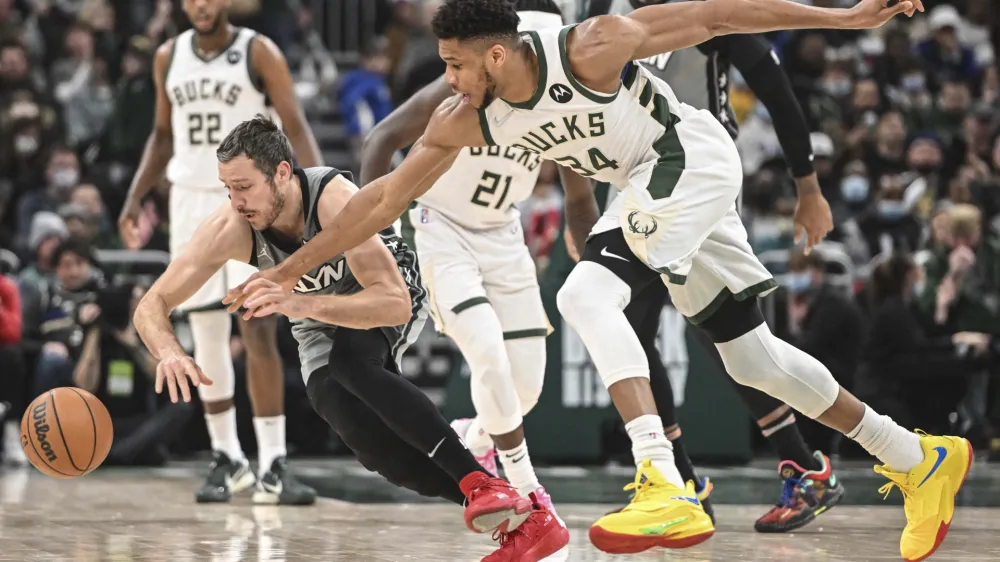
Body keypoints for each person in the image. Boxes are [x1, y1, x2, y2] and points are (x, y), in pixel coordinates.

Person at [227, 2, 971, 561]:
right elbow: (383, 200)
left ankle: (663, 481)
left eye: (454, 64)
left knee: (584, 292)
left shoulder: (589, 46)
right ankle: (916, 456)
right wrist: (288, 270)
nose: (445, 81)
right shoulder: (464, 118)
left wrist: (843, 17)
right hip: (652, 185)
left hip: (689, 157)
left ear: (495, 54)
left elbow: (720, 16)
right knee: (754, 358)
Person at [137, 116, 569, 562]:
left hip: (385, 289)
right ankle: (520, 519)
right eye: (227, 188)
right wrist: (169, 351)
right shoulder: (230, 226)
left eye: (243, 187)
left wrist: (299, 302)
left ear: (282, 173)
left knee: (351, 363)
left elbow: (393, 304)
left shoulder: (332, 199)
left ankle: (483, 481)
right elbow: (152, 303)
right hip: (314, 317)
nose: (235, 200)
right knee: (362, 436)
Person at [589, 0, 847, 533]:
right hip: (634, 182)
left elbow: (774, 88)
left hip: (698, 177)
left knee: (726, 333)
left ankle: (798, 466)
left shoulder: (702, 11)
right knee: (634, 329)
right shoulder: (604, 10)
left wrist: (809, 187)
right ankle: (681, 481)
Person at [359, 0, 594, 526]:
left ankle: (474, 438)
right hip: (442, 226)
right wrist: (377, 238)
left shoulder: (556, 99)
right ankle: (528, 490)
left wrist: (589, 246)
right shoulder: (459, 85)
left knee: (527, 385)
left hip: (503, 232)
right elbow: (381, 139)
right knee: (486, 349)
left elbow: (578, 193)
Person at [117, 0, 324, 505]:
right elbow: (163, 135)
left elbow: (294, 126)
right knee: (206, 331)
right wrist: (135, 194)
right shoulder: (168, 55)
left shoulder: (259, 51)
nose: (200, 6)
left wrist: (320, 199)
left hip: (250, 200)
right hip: (189, 199)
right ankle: (227, 456)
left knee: (257, 325)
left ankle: (273, 459)